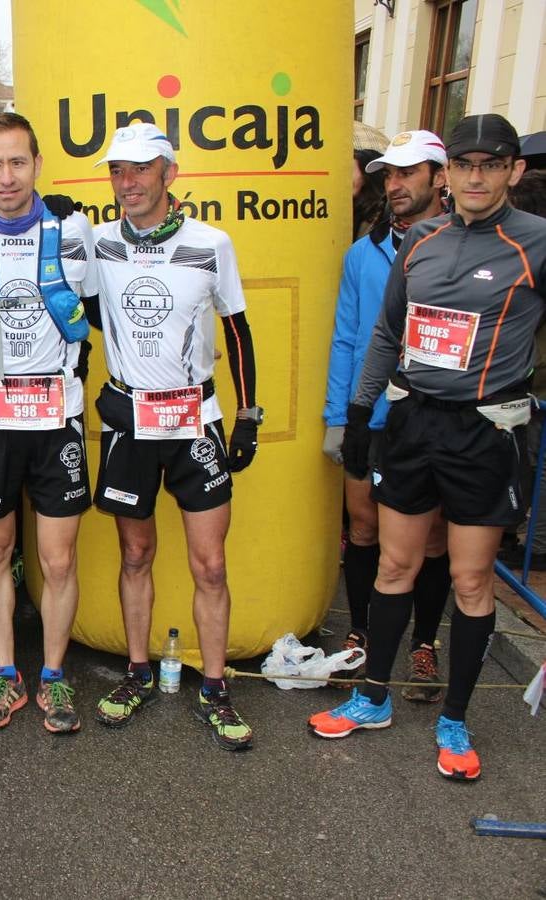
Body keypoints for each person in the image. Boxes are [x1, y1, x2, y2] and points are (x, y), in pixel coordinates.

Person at [310, 114, 545, 781]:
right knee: (393, 567)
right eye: (464, 165)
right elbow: (387, 333)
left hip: (486, 432)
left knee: (470, 578)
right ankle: (372, 697)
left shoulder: (535, 243)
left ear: (512, 172)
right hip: (413, 422)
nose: (475, 177)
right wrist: (359, 412)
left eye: (490, 165)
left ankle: (455, 720)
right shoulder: (421, 240)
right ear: (450, 174)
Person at [85, 124, 261, 750]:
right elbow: (80, 305)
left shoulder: (212, 243)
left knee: (209, 564)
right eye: (116, 172)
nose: (126, 183)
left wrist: (248, 415)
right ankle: (136, 672)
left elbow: (237, 333)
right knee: (136, 555)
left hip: (197, 419)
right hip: (130, 422)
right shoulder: (97, 241)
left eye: (138, 170)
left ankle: (215, 687)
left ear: (168, 173)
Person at [0, 113, 97, 734]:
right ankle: (5, 675)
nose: (7, 177)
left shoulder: (75, 231)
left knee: (58, 560)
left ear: (37, 166)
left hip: (57, 410)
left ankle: (53, 679)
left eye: (18, 163)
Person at [324, 130, 453, 701]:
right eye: (389, 177)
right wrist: (340, 417)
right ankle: (361, 633)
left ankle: (424, 645)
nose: (395, 186)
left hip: (433, 418)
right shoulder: (363, 252)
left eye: (407, 174)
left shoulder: (461, 244)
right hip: (369, 416)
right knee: (364, 528)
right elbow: (348, 338)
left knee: (430, 542)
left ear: (439, 178)